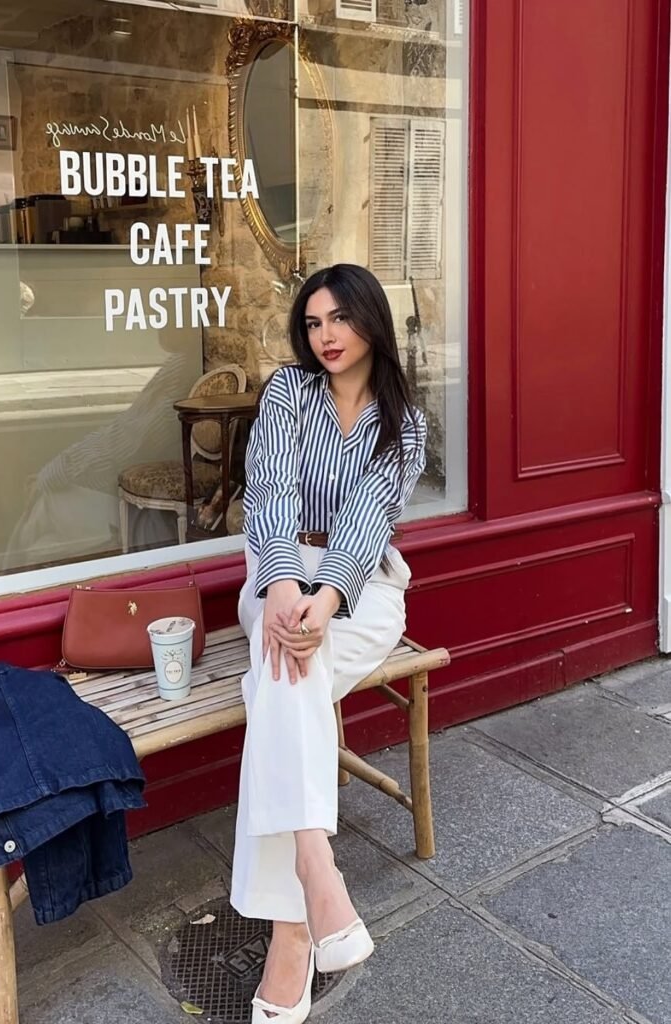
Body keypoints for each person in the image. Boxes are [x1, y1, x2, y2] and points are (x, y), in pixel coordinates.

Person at [232, 263, 427, 1024]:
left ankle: (293, 919)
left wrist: (326, 599)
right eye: (313, 323)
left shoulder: (403, 420)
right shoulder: (288, 393)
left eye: (339, 319)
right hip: (278, 569)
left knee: (282, 676)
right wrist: (283, 588)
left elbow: (368, 520)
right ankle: (312, 882)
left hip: (363, 583)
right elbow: (270, 487)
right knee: (289, 664)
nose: (326, 337)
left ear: (370, 321)